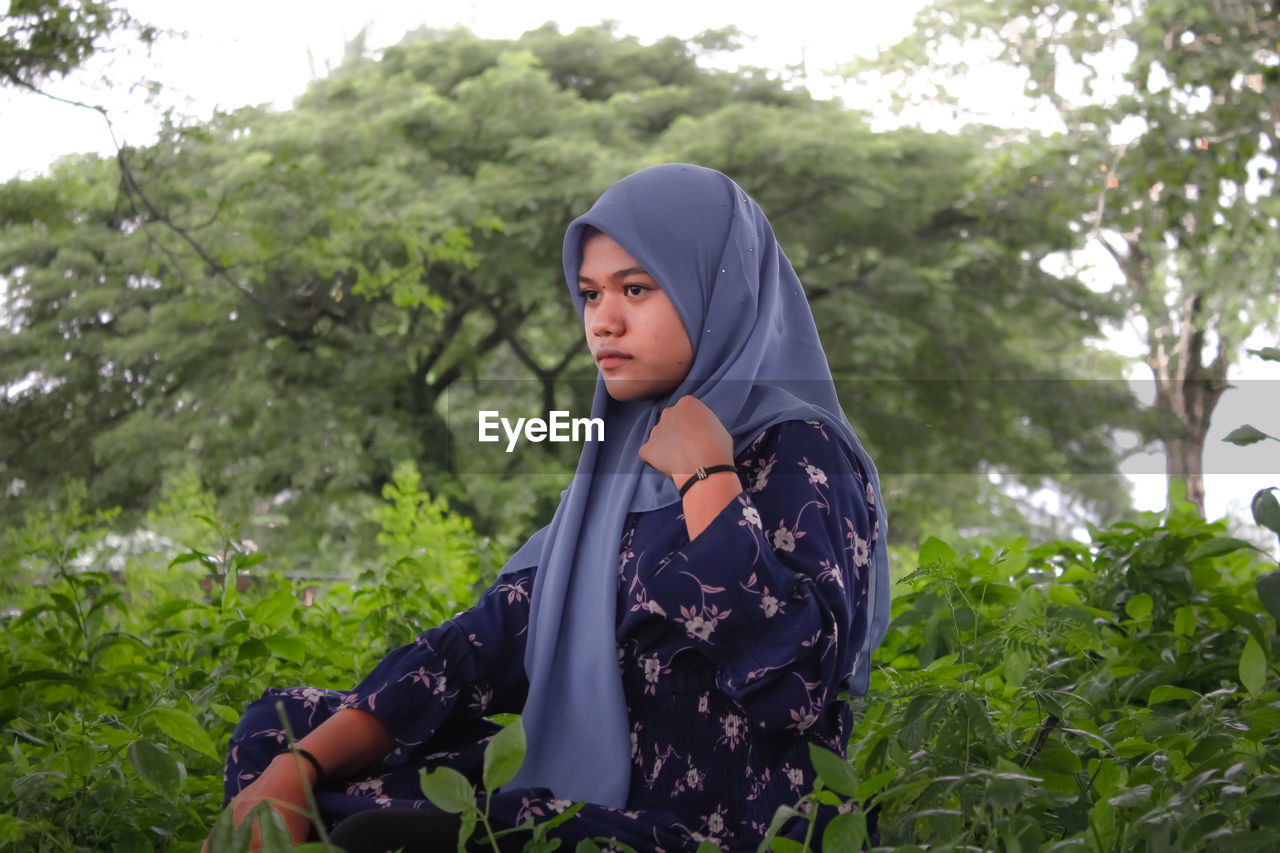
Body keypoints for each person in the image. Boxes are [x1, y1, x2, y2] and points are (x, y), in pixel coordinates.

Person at [213, 164, 890, 852]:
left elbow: (798, 685)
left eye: (636, 288)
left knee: (377, 839)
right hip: (591, 797)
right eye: (591, 294)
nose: (604, 321)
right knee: (279, 735)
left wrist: (707, 475)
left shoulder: (802, 446)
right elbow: (475, 651)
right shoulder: (617, 476)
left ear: (716, 287)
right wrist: (297, 769)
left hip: (724, 828)